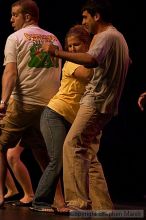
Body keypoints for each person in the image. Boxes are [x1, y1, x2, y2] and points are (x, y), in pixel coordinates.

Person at [42, 0, 131, 212]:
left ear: (96, 16)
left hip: (95, 101)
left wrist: (57, 53)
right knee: (88, 154)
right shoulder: (119, 37)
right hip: (107, 104)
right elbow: (127, 62)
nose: (84, 23)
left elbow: (90, 60)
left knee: (72, 146)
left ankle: (77, 203)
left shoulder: (105, 36)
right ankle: (103, 207)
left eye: (85, 17)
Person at [0, 0, 62, 208]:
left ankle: (0, 195)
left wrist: (3, 101)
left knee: (1, 145)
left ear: (27, 17)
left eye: (14, 15)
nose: (11, 19)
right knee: (43, 154)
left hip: (23, 103)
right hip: (49, 106)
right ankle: (59, 200)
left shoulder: (15, 38)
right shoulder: (54, 39)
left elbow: (10, 72)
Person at [30, 24, 93, 213]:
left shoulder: (86, 61)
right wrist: (109, 60)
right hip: (54, 115)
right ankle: (39, 201)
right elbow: (89, 75)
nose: (72, 49)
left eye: (77, 45)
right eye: (70, 46)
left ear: (88, 44)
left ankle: (82, 201)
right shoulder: (72, 62)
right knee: (56, 160)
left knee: (78, 159)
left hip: (70, 118)